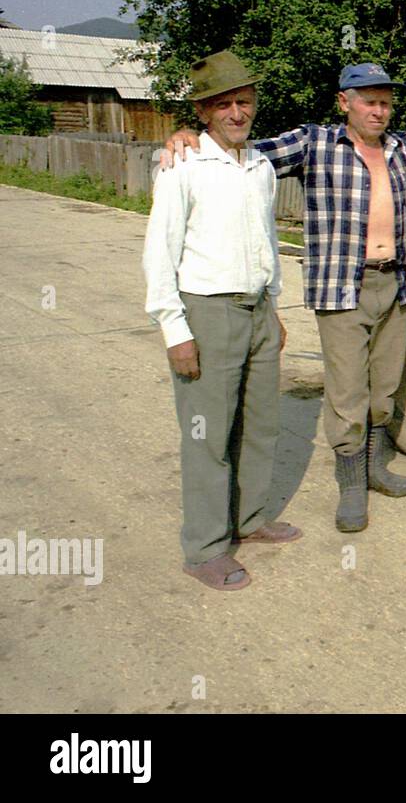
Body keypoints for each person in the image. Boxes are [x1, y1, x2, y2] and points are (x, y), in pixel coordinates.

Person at [162, 63, 406, 533]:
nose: (379, 110)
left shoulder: (405, 147)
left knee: (384, 390)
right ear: (344, 102)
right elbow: (239, 149)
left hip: (398, 286)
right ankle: (351, 487)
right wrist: (186, 134)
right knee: (348, 394)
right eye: (369, 101)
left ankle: (373, 470)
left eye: (385, 102)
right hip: (341, 287)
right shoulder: (314, 143)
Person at [143, 49, 299, 591]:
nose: (238, 112)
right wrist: (174, 329)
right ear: (205, 112)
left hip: (256, 309)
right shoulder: (181, 166)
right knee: (207, 435)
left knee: (260, 423)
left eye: (246, 101)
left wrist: (273, 305)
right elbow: (159, 253)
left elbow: (268, 243)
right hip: (206, 311)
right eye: (226, 104)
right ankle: (204, 547)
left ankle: (250, 519)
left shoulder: (259, 167)